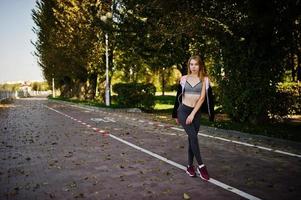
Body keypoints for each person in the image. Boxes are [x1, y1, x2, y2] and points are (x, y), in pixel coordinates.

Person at [172, 55, 210, 181]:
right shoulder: (183, 79)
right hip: (183, 111)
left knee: (191, 139)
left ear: (200, 65)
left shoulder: (205, 79)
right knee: (193, 137)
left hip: (195, 113)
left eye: (196, 64)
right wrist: (175, 114)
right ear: (189, 66)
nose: (193, 67)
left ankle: (189, 166)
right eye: (191, 64)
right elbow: (178, 97)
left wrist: (193, 114)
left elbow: (202, 99)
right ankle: (201, 166)